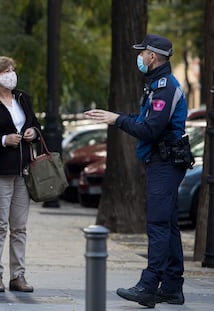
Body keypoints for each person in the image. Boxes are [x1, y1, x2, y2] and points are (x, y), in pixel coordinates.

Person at [84, 34, 192, 308]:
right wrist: (116, 117)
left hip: (165, 163)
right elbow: (145, 122)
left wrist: (116, 119)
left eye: (142, 53)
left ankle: (148, 285)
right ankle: (171, 287)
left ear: (152, 56)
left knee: (157, 224)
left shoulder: (165, 88)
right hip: (162, 161)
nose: (140, 57)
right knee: (167, 225)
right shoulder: (156, 84)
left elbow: (150, 129)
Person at [0, 56, 41, 293]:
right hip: (0, 171)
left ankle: (18, 276)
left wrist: (33, 132)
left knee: (20, 227)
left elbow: (36, 125)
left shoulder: (22, 98)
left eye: (13, 70)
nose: (12, 74)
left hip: (23, 170)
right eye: (7, 71)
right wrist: (4, 140)